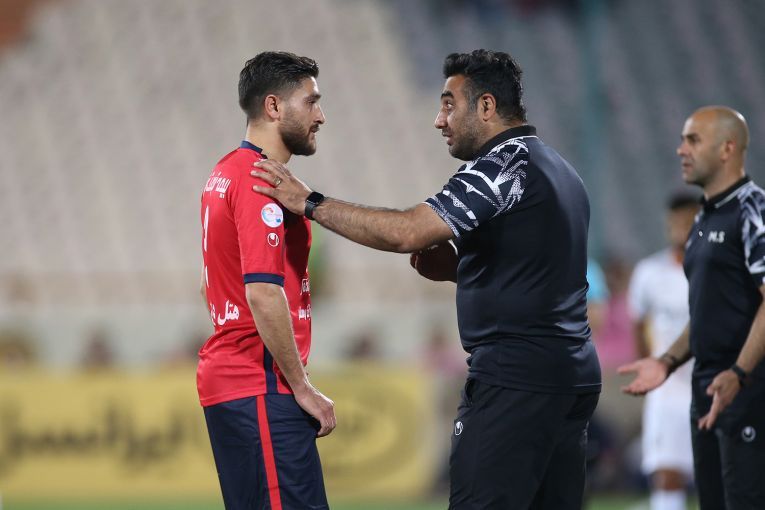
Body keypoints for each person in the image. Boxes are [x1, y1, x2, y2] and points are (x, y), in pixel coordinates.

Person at [252, 49, 601, 510]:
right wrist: (460, 269)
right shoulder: (561, 170)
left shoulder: (503, 166)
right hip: (571, 372)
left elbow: (408, 233)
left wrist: (310, 202)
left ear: (487, 106)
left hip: (517, 377)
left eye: (449, 105)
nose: (439, 120)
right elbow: (539, 276)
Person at [198, 51, 335, 510]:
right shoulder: (261, 181)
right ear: (274, 106)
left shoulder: (225, 171)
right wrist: (301, 386)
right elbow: (261, 291)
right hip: (260, 383)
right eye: (311, 101)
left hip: (237, 382)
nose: (320, 116)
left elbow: (215, 281)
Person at [619, 106, 765, 509]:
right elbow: (704, 313)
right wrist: (666, 361)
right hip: (706, 391)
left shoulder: (753, 211)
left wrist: (739, 373)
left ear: (727, 148)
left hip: (746, 393)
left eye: (693, 140)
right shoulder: (703, 219)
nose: (681, 149)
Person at [627, 192, 699, 510]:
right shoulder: (649, 272)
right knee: (667, 475)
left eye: (689, 221)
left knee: (719, 473)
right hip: (667, 392)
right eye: (677, 222)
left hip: (709, 384)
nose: (682, 228)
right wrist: (648, 366)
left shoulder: (716, 271)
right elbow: (638, 324)